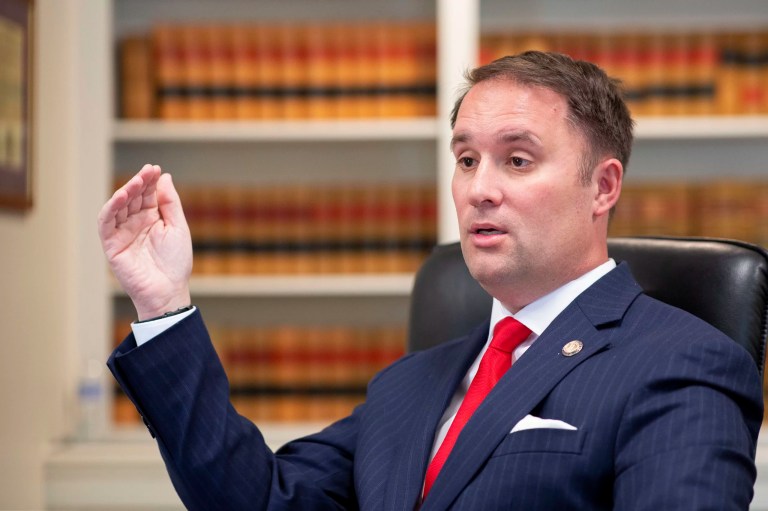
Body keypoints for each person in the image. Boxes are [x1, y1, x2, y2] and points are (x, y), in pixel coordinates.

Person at [98, 51, 763, 510]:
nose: (480, 189)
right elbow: (260, 498)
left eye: (518, 159)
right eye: (467, 159)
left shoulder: (683, 362)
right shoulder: (409, 383)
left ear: (603, 185)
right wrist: (163, 303)